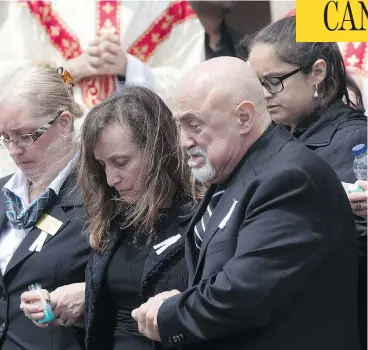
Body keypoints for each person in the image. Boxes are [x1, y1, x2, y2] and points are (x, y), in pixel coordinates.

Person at [131, 56, 361, 349]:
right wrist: (180, 300)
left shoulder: (290, 179)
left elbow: (243, 294)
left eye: (194, 125)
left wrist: (168, 316)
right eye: (180, 126)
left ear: (244, 117)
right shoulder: (233, 170)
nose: (184, 140)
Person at [245, 16, 367, 349]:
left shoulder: (353, 140)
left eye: (272, 81)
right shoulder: (285, 134)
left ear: (317, 72)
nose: (264, 95)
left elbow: (351, 244)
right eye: (257, 84)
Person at [0, 0, 205, 177]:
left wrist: (131, 69)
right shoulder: (35, 4)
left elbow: (193, 84)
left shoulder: (173, 6)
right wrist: (69, 71)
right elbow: (8, 78)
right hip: (55, 157)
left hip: (138, 156)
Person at [80, 86, 197, 350]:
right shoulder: (112, 217)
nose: (111, 179)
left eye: (121, 162)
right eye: (102, 164)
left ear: (159, 151)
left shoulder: (200, 216)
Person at [0, 63, 90, 349]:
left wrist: (90, 294)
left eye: (26, 135)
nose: (14, 150)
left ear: (64, 123)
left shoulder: (99, 195)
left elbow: (134, 285)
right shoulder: (3, 190)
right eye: (6, 138)